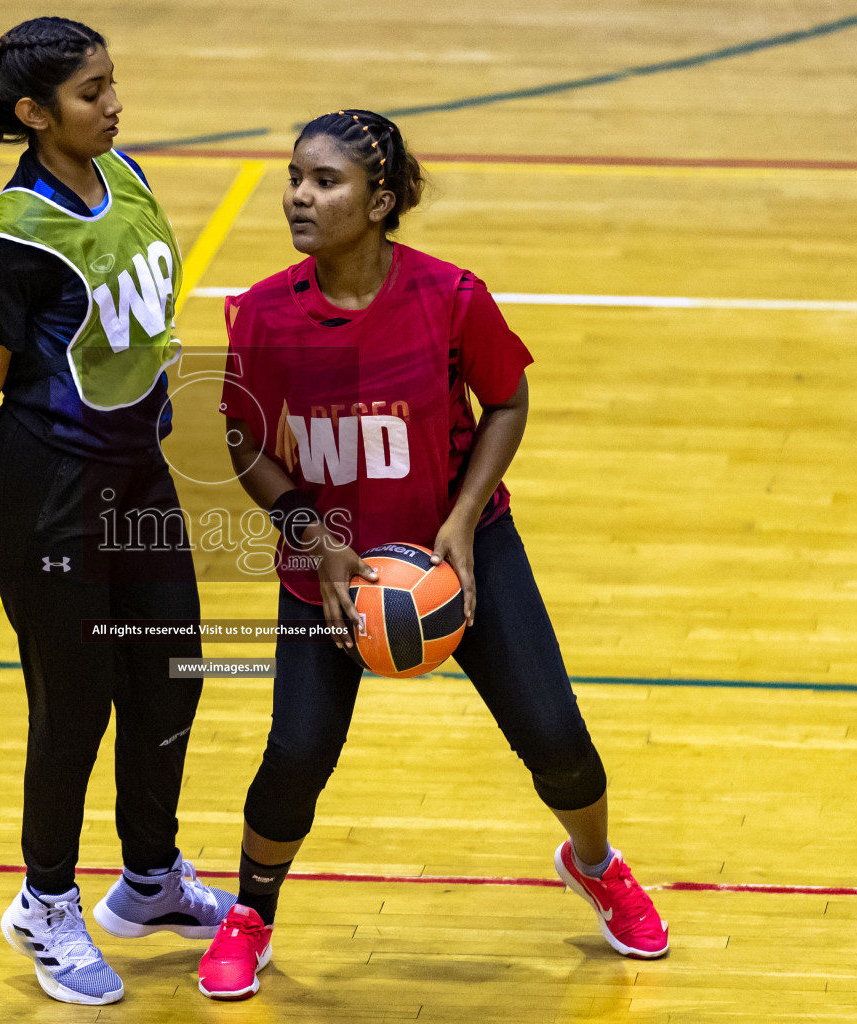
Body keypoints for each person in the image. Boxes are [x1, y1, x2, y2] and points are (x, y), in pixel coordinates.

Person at [196, 110, 670, 1000]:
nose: (299, 194)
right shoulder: (262, 315)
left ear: (379, 202)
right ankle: (251, 911)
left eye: (324, 182)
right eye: (295, 176)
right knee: (295, 754)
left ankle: (596, 863)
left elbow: (508, 401)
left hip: (461, 550)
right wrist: (311, 533)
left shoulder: (450, 296)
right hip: (330, 571)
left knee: (558, 741)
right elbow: (242, 439)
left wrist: (460, 520)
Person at [0, 17, 233, 1007]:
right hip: (45, 489)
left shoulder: (126, 176)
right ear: (34, 115)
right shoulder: (11, 237)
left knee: (172, 671)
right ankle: (44, 903)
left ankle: (150, 879)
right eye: (91, 92)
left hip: (136, 471)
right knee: (75, 699)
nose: (114, 103)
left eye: (113, 82)